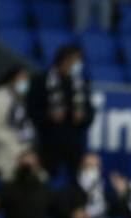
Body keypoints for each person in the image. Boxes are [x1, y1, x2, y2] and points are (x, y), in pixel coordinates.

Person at [28, 45, 93, 179]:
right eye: (76, 60)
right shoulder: (41, 80)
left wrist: (83, 117)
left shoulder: (82, 82)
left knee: (76, 179)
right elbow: (32, 110)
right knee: (45, 178)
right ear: (65, 60)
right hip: (49, 141)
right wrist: (49, 116)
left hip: (74, 142)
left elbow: (90, 111)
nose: (78, 65)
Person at [0, 66, 35, 180]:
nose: (24, 82)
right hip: (3, 153)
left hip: (23, 150)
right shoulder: (1, 95)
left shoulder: (24, 98)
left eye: (26, 79)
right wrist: (13, 140)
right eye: (21, 79)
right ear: (12, 79)